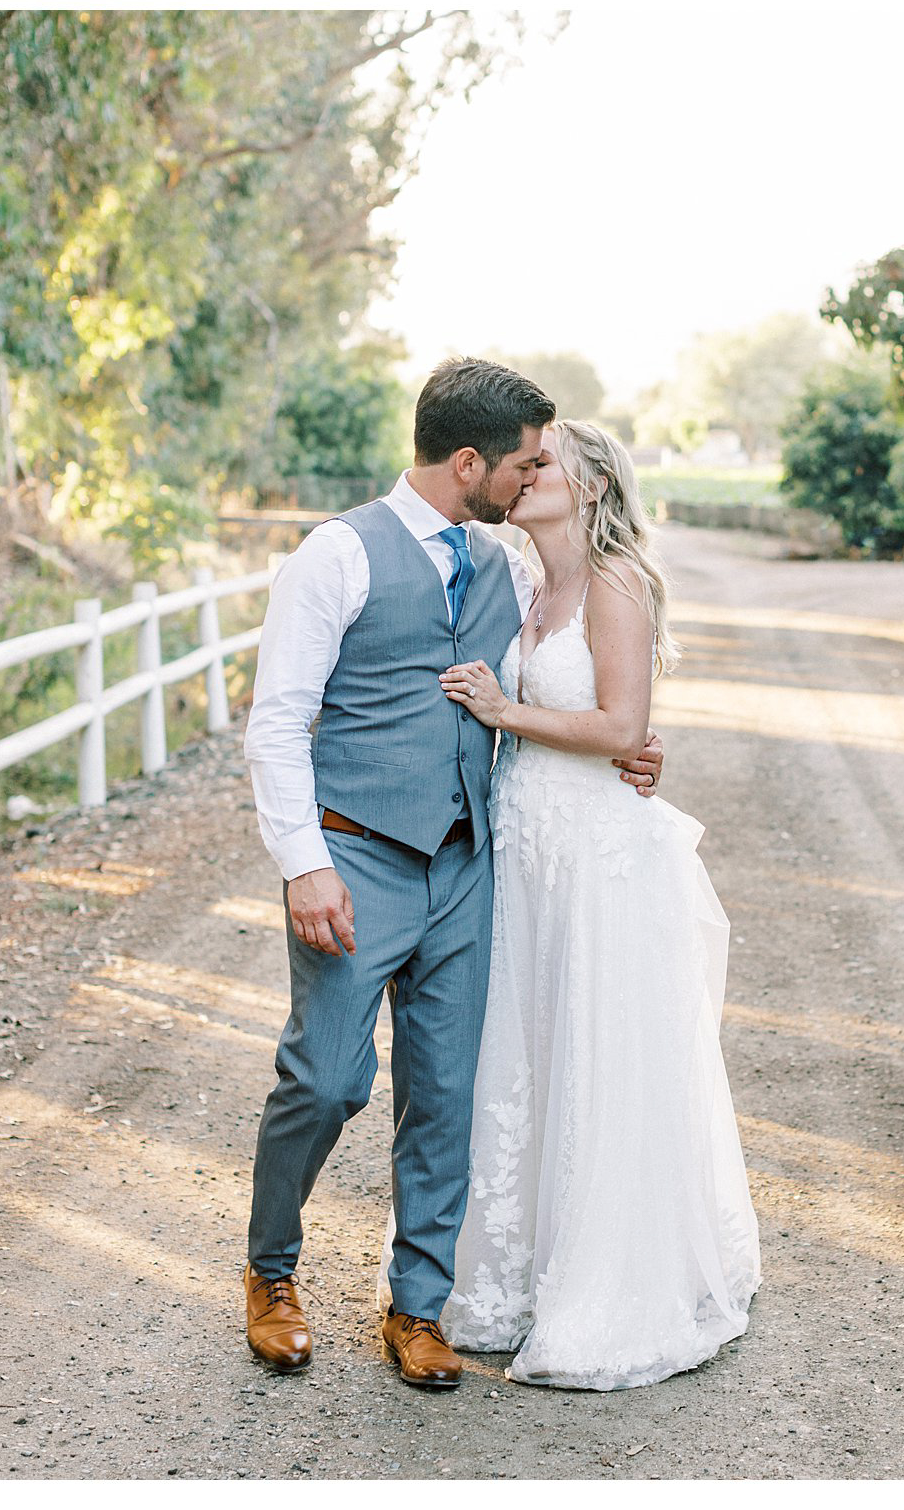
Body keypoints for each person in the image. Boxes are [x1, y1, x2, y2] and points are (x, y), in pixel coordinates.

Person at [241, 358, 666, 1388]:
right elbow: (276, 722)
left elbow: (572, 674)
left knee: (445, 1096)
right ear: (467, 461)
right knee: (327, 1077)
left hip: (469, 866)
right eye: (518, 464)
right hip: (351, 858)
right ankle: (269, 1271)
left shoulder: (509, 567)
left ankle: (417, 1305)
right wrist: (303, 866)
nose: (528, 480)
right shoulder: (334, 555)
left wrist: (626, 746)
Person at [436, 419, 760, 1388]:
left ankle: (608, 1282)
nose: (522, 475)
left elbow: (621, 722)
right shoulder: (522, 582)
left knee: (596, 1049)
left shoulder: (616, 580)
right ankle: (508, 1276)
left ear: (588, 487)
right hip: (526, 845)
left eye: (542, 464)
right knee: (526, 1046)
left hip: (597, 852)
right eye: (521, 462)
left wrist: (505, 712)